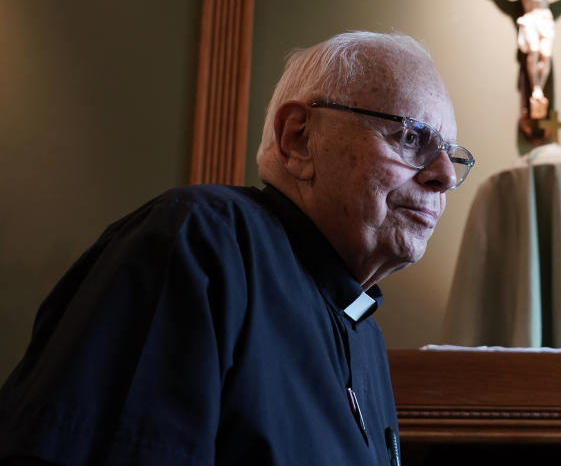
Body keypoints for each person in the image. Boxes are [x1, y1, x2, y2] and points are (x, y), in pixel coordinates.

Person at [0, 31, 474, 465]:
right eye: (411, 137)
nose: (445, 177)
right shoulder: (199, 242)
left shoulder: (362, 332)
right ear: (299, 139)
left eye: (451, 155)